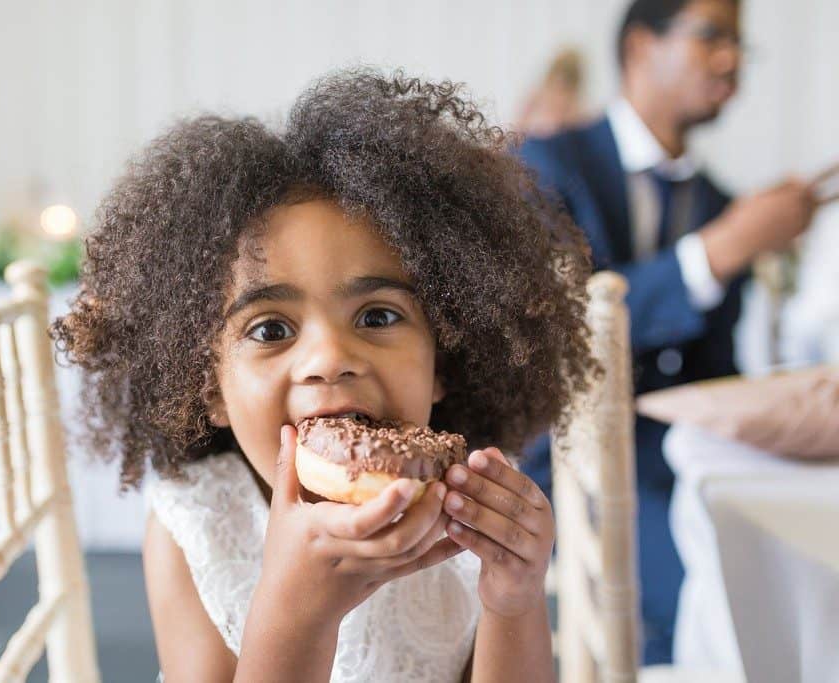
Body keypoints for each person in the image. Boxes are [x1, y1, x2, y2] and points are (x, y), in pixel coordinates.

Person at [53, 69, 596, 682]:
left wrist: (513, 599)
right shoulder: (198, 523)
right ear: (208, 388)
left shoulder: (471, 506)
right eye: (270, 330)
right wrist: (297, 612)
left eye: (377, 315)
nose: (329, 356)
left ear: (444, 361)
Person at [518, 0, 819, 665]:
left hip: (678, 452)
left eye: (741, 45)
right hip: (572, 457)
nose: (732, 61)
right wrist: (720, 252)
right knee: (713, 581)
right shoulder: (546, 162)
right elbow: (564, 333)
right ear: (639, 48)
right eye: (712, 36)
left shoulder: (715, 199)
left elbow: (711, 369)